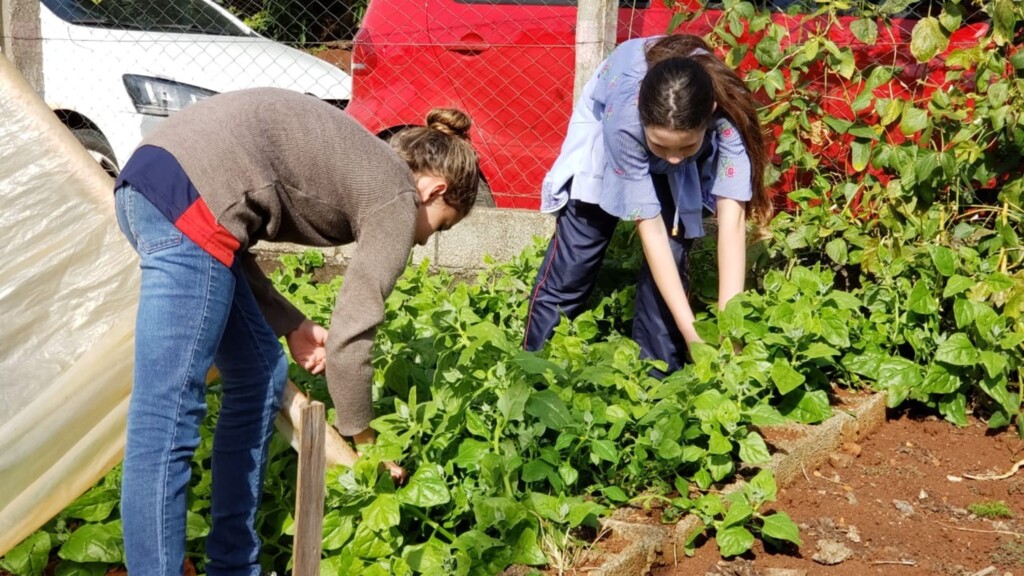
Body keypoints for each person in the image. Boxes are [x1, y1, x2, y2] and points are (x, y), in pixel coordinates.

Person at [112, 87, 479, 576]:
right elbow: (353, 335)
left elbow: (230, 236)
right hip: (188, 200)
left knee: (261, 372)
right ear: (434, 190)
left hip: (158, 182)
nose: (427, 237)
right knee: (170, 409)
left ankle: (233, 566)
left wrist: (292, 324)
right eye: (442, 225)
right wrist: (365, 445)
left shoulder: (363, 163)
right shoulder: (398, 194)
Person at [523, 34, 771, 373]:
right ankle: (532, 367)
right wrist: (693, 334)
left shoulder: (728, 115)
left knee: (673, 252)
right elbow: (649, 230)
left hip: (671, 115)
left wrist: (731, 329)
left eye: (686, 147)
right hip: (606, 121)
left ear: (710, 114)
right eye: (661, 146)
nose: (672, 160)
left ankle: (658, 381)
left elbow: (732, 222)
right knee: (576, 260)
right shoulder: (624, 119)